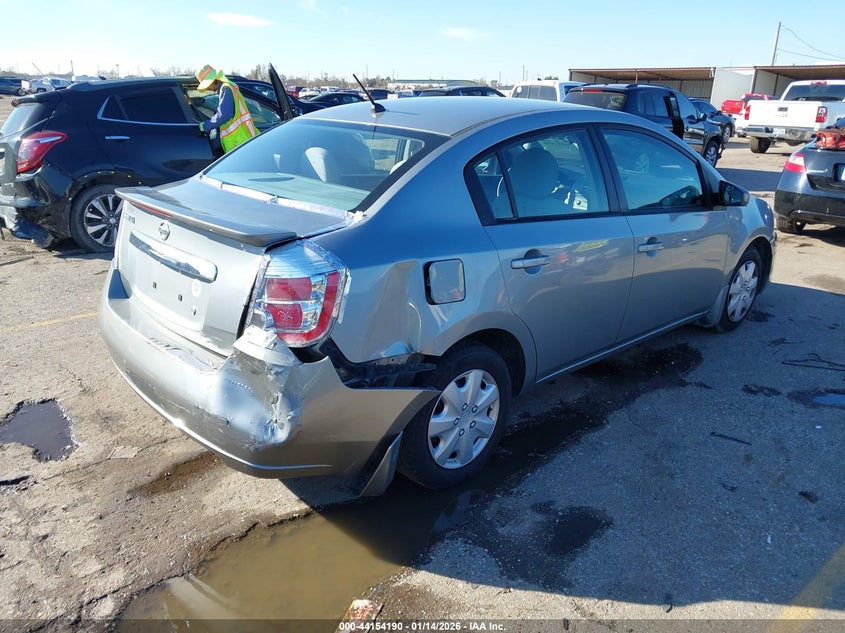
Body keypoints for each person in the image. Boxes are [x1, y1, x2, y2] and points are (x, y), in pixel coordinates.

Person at [196, 64, 258, 153]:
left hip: (239, 141)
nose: (208, 89)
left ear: (213, 80)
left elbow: (223, 115)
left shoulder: (226, 89)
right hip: (243, 139)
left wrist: (205, 125)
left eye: (208, 85)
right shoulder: (229, 87)